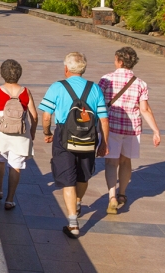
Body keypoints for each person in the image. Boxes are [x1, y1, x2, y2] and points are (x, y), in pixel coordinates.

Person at [38, 52, 109, 239]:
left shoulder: (57, 87)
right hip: (88, 138)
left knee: (67, 178)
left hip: (64, 137)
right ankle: (78, 202)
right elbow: (103, 119)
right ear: (84, 69)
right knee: (83, 176)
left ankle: (73, 223)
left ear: (66, 68)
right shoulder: (94, 89)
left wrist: (47, 132)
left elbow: (46, 116)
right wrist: (104, 142)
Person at [98, 46, 161, 214]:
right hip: (132, 129)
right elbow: (145, 109)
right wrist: (156, 131)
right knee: (125, 162)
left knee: (111, 163)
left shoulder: (106, 80)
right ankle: (122, 194)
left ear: (119, 61)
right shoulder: (140, 83)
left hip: (111, 127)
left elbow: (98, 103)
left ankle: (111, 196)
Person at [0, 59, 38, 210]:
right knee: (16, 165)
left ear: (2, 73)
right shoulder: (25, 92)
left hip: (1, 132)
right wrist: (32, 132)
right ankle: (10, 199)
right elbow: (34, 115)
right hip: (20, 133)